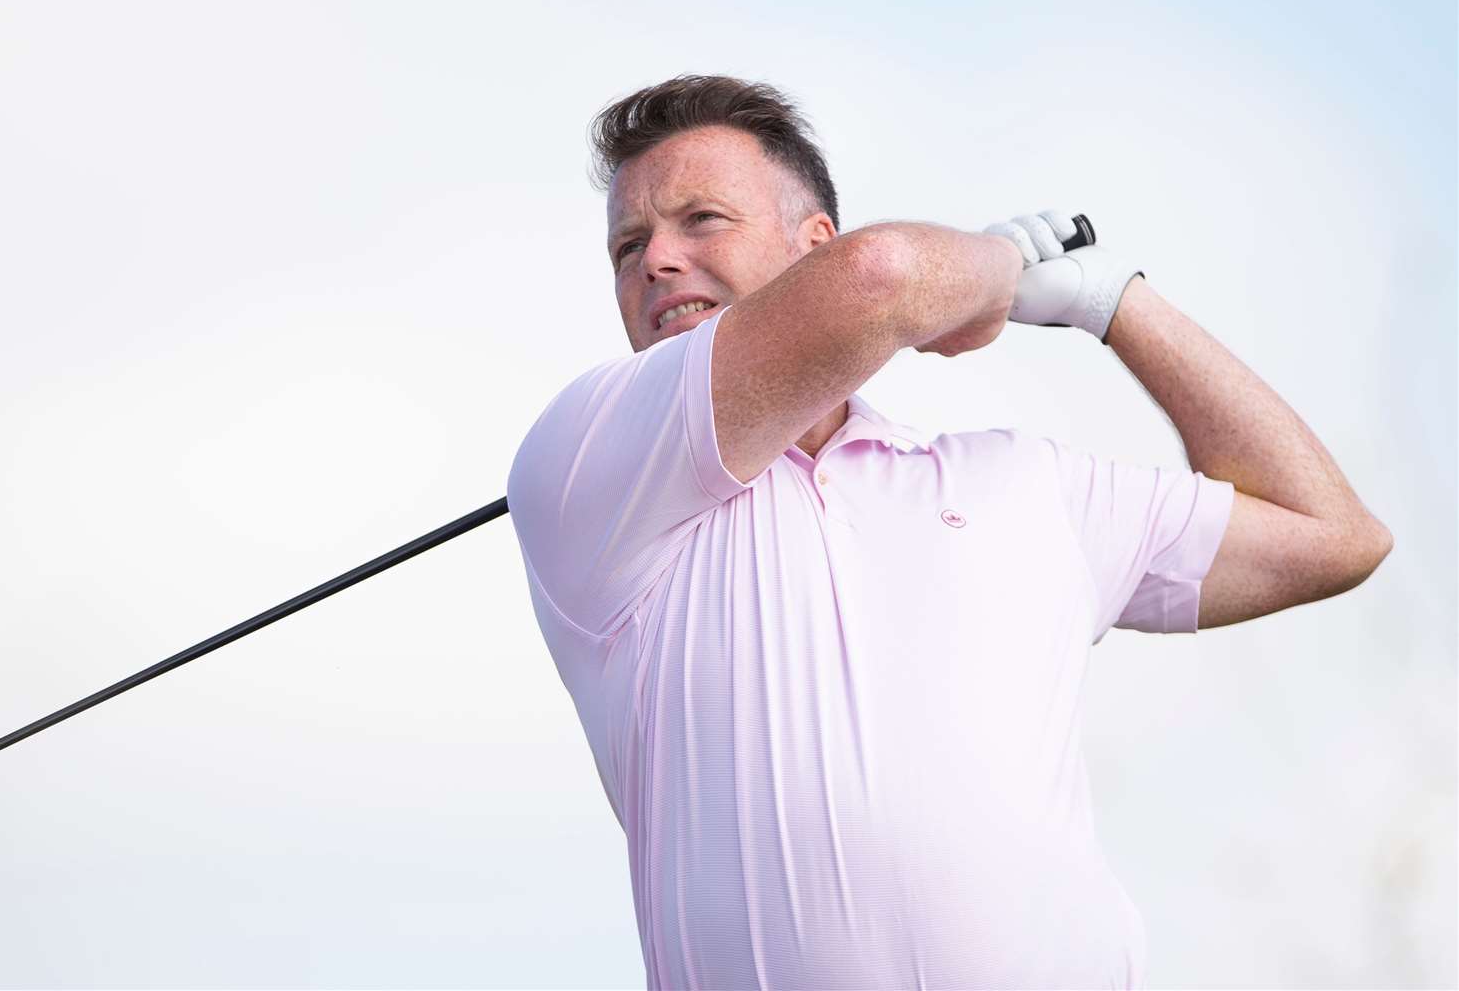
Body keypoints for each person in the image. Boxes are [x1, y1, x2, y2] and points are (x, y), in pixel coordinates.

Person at [503, 74, 1394, 989]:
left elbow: (1328, 535)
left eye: (701, 220)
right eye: (627, 244)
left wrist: (1111, 303)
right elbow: (880, 279)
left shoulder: (1017, 481)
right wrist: (992, 271)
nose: (654, 259)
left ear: (812, 244)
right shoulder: (589, 463)